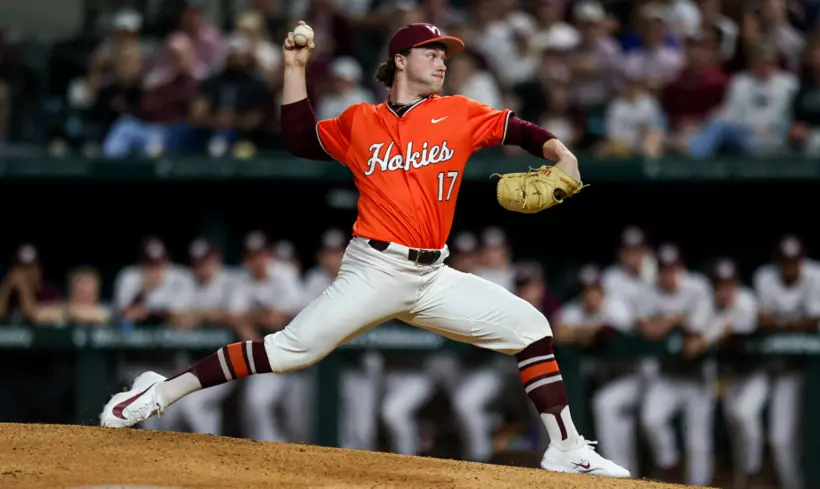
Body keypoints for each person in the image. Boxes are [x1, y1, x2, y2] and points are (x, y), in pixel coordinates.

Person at [99, 21, 629, 478]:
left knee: (532, 329)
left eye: (444, 54)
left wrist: (561, 152)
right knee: (289, 352)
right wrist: (294, 66)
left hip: (433, 275)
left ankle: (566, 449)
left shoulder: (458, 112)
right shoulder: (360, 121)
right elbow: (302, 140)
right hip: (374, 268)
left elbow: (519, 128)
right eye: (431, 52)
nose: (441, 61)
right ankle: (158, 393)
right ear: (400, 60)